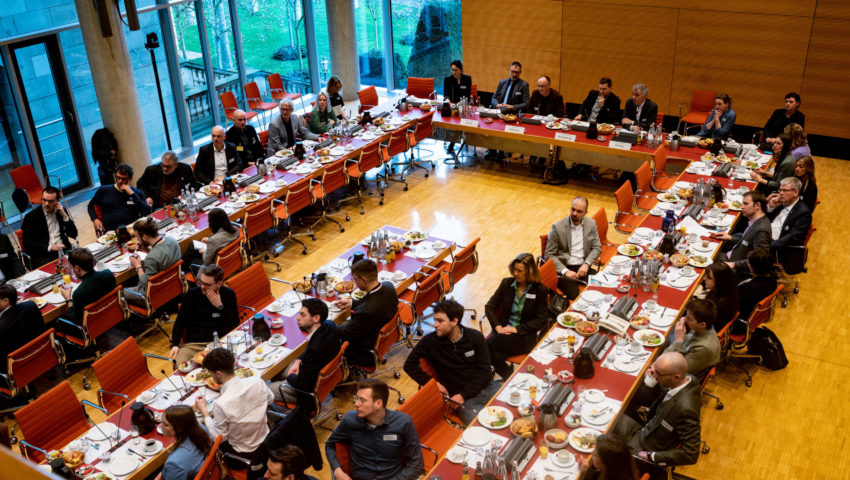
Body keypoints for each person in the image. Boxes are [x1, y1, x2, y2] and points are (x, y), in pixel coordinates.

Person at [403, 298, 500, 425]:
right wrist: (433, 383)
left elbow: (485, 371)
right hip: (462, 400)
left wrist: (464, 394)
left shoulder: (475, 337)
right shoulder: (430, 342)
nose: (435, 325)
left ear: (455, 321)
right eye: (435, 320)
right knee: (485, 427)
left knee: (518, 407)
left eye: (440, 321)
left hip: (487, 387)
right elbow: (409, 365)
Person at [196, 348, 274, 480]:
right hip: (267, 440)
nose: (211, 376)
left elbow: (219, 438)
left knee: (200, 431)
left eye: (211, 373)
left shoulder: (220, 403)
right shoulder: (257, 381)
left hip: (243, 455)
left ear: (218, 373)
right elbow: (270, 399)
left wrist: (204, 413)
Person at [325, 379, 425, 480]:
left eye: (362, 400)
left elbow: (417, 465)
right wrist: (338, 472)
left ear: (378, 404)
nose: (356, 403)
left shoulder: (403, 422)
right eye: (356, 398)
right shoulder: (350, 420)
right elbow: (329, 445)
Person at [613, 352, 701, 466]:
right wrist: (651, 379)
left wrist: (652, 456)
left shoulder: (686, 409)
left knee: (602, 451)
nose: (653, 374)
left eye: (658, 373)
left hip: (645, 448)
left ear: (676, 377)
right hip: (646, 429)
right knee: (611, 416)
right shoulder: (687, 379)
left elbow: (691, 454)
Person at [485, 253, 549, 379]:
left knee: (486, 347)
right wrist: (498, 327)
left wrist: (516, 329)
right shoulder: (506, 284)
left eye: (519, 271)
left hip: (524, 335)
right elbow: (489, 307)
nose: (515, 273)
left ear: (529, 272)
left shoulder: (540, 290)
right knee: (495, 356)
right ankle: (513, 379)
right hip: (502, 332)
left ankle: (509, 379)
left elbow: (541, 320)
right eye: (514, 269)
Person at [268, 297, 340, 404]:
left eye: (302, 315)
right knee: (278, 366)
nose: (297, 318)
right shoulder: (330, 325)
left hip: (306, 392)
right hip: (323, 379)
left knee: (264, 390)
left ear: (316, 318)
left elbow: (301, 384)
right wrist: (298, 361)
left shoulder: (315, 350)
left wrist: (290, 375)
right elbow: (311, 351)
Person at [169, 265, 239, 365]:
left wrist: (220, 306)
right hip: (194, 345)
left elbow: (234, 324)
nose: (202, 287)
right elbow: (180, 322)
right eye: (201, 282)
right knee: (180, 365)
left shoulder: (228, 294)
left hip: (219, 342)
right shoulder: (191, 295)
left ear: (219, 283)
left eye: (207, 285)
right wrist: (175, 344)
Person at [334, 259, 398, 367]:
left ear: (364, 279)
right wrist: (352, 303)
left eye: (355, 279)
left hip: (363, 350)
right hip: (384, 337)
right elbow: (372, 301)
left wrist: (328, 324)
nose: (355, 283)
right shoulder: (389, 287)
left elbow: (345, 333)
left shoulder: (366, 312)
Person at [545, 196, 601, 299]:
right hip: (565, 269)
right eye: (573, 209)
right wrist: (565, 271)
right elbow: (549, 254)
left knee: (603, 285)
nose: (574, 214)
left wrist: (587, 263)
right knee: (577, 298)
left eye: (579, 211)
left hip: (583, 267)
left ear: (585, 212)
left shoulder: (591, 224)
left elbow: (597, 247)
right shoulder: (557, 227)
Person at [124, 217, 182, 306]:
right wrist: (147, 249)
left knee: (122, 292)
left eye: (138, 237)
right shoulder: (172, 240)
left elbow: (145, 283)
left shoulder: (151, 258)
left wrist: (138, 266)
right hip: (174, 285)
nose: (138, 240)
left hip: (156, 294)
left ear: (144, 237)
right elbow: (162, 258)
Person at [713, 190, 771, 273]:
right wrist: (730, 237)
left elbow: (759, 260)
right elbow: (747, 242)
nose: (742, 207)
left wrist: (734, 265)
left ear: (757, 205)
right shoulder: (755, 221)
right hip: (732, 256)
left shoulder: (761, 230)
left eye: (746, 204)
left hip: (735, 268)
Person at [663, 298, 721, 380]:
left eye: (689, 319)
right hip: (679, 356)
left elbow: (677, 370)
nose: (685, 319)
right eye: (686, 315)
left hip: (677, 378)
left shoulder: (704, 348)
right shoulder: (704, 329)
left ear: (702, 324)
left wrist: (679, 340)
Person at [21, 186, 78, 268]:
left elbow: (74, 234)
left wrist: (65, 216)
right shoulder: (31, 217)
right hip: (42, 254)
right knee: (55, 271)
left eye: (50, 201)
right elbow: (27, 242)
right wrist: (50, 247)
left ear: (58, 201)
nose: (46, 204)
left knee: (80, 262)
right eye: (44, 200)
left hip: (63, 249)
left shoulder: (61, 212)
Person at [87, 164, 151, 233]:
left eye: (123, 179)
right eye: (117, 178)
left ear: (130, 179)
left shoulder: (137, 193)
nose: (120, 181)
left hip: (132, 229)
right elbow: (90, 206)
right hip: (111, 231)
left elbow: (146, 212)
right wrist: (95, 219)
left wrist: (132, 194)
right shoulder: (104, 190)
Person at [59, 248, 116, 326]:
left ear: (77, 268)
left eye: (72, 268)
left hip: (95, 327)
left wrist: (68, 299)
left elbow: (76, 319)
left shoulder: (78, 293)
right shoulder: (108, 274)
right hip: (113, 316)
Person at [0, 284, 46, 373]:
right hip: (41, 352)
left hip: (18, 364)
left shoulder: (2, 326)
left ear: (5, 301)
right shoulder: (31, 305)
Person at [161, 404, 211, 480]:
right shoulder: (201, 427)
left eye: (165, 424)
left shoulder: (175, 463)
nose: (161, 425)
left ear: (180, 428)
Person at [736, 249, 778, 329]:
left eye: (749, 264)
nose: (748, 265)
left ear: (754, 268)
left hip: (739, 323)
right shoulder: (773, 277)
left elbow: (732, 305)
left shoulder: (749, 289)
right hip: (753, 317)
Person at [765, 177, 812, 248]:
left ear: (795, 193)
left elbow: (793, 237)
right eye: (780, 190)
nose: (781, 193)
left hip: (776, 246)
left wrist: (767, 246)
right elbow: (767, 219)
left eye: (785, 190)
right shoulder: (781, 203)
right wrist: (771, 207)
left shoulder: (803, 213)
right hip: (763, 235)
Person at [697, 263, 739, 330]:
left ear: (720, 281)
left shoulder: (718, 305)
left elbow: (702, 324)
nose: (704, 278)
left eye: (709, 277)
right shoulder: (728, 290)